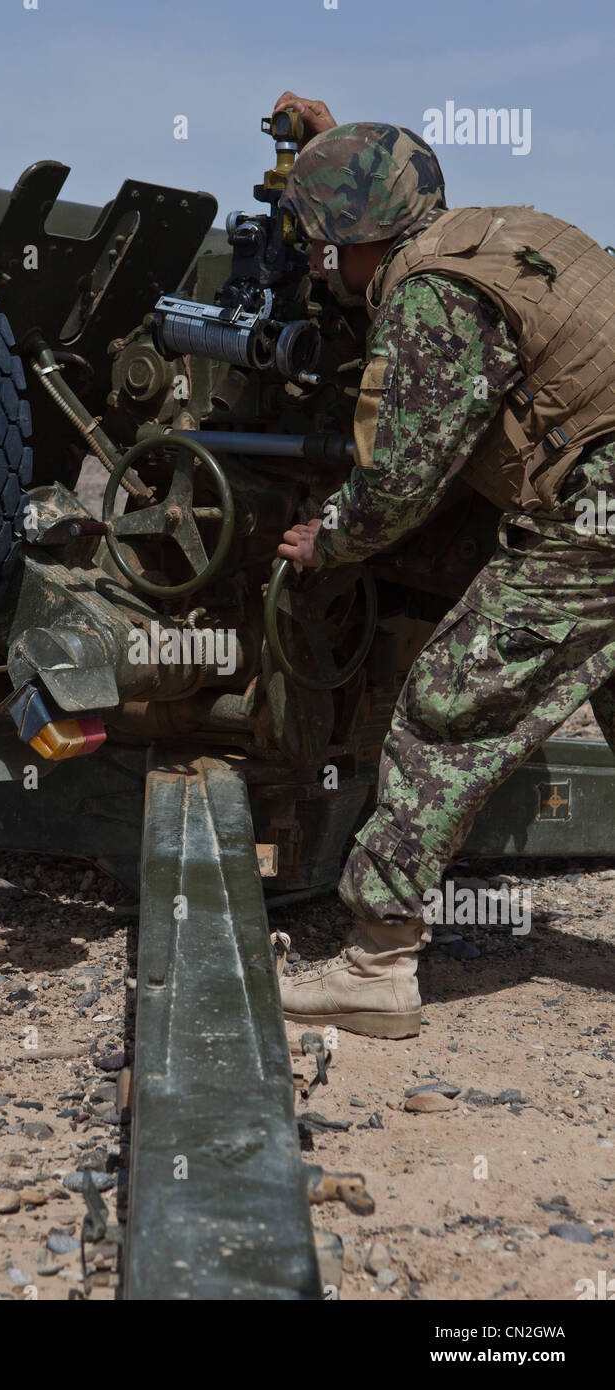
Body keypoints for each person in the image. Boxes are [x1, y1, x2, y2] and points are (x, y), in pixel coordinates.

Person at [271, 93, 615, 1039]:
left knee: (447, 707)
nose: (312, 259)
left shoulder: (430, 294)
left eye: (316, 240)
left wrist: (327, 540)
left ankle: (377, 965)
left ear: (351, 237)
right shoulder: (502, 236)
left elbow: (403, 477)